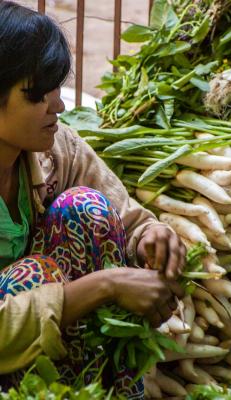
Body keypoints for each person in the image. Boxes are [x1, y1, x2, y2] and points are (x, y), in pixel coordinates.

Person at [0, 1, 186, 398]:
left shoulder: (53, 148)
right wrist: (105, 286)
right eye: (36, 94)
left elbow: (127, 217)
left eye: (55, 86)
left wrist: (153, 237)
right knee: (34, 274)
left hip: (47, 348)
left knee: (84, 209)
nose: (59, 105)